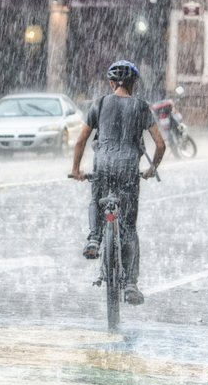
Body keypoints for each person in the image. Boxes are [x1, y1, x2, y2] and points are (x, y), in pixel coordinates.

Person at [69, 60, 166, 306]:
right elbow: (161, 144)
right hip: (128, 171)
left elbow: (80, 141)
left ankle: (94, 238)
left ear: (111, 83)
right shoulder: (142, 107)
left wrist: (76, 169)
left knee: (96, 199)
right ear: (134, 84)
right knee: (129, 229)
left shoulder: (99, 104)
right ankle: (131, 284)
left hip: (103, 166)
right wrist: (151, 168)